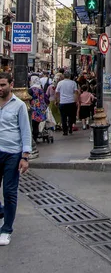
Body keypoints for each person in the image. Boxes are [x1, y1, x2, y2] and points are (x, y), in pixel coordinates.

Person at [0, 71, 32, 246]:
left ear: (11, 85)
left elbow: (26, 131)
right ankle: (3, 211)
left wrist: (25, 157)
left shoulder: (19, 105)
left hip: (12, 153)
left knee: (9, 192)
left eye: (3, 85)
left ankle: (6, 229)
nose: (0, 88)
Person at [55, 71, 79, 136]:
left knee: (63, 117)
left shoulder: (60, 83)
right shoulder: (73, 83)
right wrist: (76, 100)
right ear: (69, 76)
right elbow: (76, 92)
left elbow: (57, 92)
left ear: (64, 76)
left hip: (63, 102)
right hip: (71, 101)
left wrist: (57, 100)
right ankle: (70, 128)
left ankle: (65, 131)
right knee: (71, 116)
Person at [28, 76, 48, 142]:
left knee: (33, 124)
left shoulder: (31, 90)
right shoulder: (41, 88)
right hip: (41, 108)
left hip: (34, 108)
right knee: (36, 124)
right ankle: (36, 136)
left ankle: (34, 138)